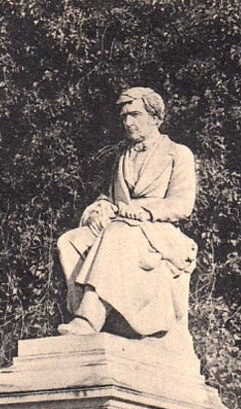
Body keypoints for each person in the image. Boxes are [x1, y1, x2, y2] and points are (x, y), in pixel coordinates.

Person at [57, 87, 197, 345]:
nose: (128, 122)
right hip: (121, 224)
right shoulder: (122, 157)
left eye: (135, 115)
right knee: (71, 240)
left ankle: (90, 317)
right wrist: (97, 212)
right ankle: (96, 315)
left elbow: (182, 204)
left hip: (158, 231)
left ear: (155, 118)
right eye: (124, 117)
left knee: (117, 234)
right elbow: (107, 198)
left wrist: (145, 210)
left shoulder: (178, 154)